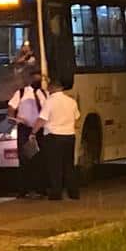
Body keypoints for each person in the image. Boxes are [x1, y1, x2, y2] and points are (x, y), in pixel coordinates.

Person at [34, 78, 82, 201]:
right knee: (68, 165)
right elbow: (77, 118)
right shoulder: (71, 101)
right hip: (69, 136)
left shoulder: (49, 102)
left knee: (55, 166)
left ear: (52, 88)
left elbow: (42, 119)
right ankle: (73, 193)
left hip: (53, 137)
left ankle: (56, 193)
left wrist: (33, 131)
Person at [6, 68, 46, 198]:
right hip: (25, 128)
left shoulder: (44, 94)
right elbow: (12, 106)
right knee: (25, 159)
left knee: (39, 159)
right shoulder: (21, 93)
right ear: (30, 79)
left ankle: (40, 188)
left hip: (39, 129)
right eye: (35, 78)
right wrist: (13, 119)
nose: (37, 80)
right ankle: (24, 189)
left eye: (39, 78)